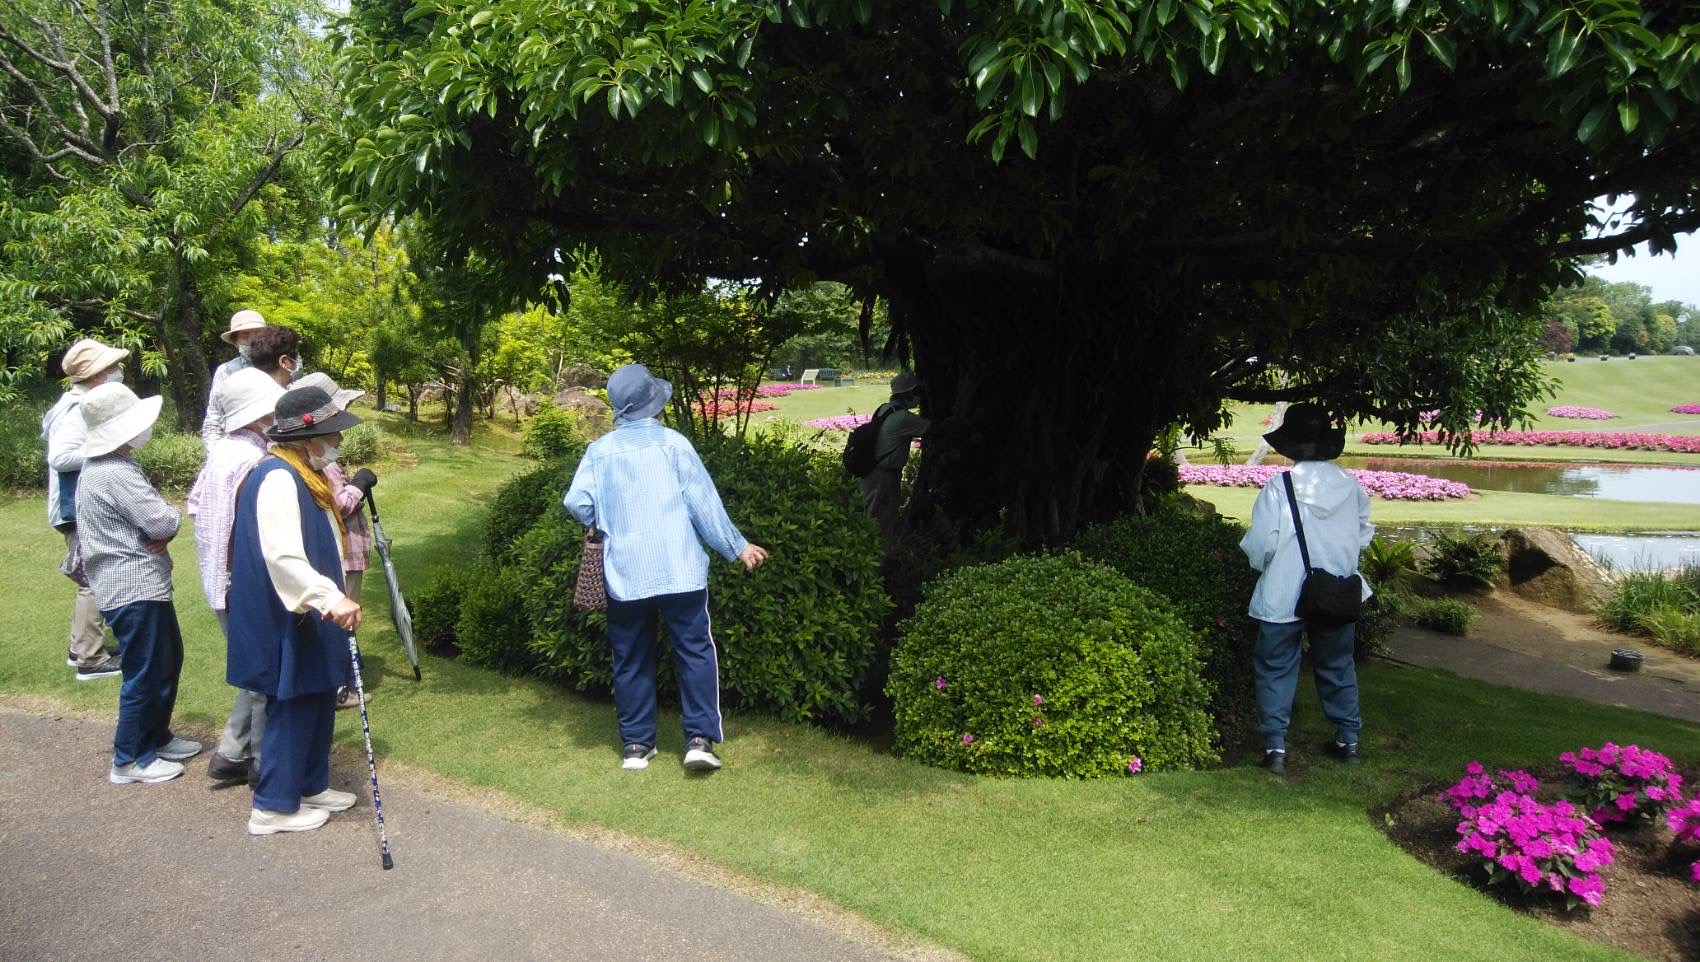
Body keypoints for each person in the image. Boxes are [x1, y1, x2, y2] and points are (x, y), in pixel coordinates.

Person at [563, 363, 768, 772]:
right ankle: (698, 741)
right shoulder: (674, 444)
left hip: (626, 570)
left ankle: (637, 747)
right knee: (694, 650)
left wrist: (605, 519)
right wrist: (738, 547)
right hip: (680, 569)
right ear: (655, 405)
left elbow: (576, 502)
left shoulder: (599, 451)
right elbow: (703, 504)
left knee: (631, 657)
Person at [227, 386, 366, 835]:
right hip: (292, 610)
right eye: (331, 435)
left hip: (311, 609)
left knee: (320, 692)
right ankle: (272, 806)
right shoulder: (278, 477)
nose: (338, 442)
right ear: (308, 440)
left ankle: (309, 784)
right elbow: (282, 555)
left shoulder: (303, 473)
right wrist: (330, 598)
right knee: (293, 700)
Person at [75, 383, 202, 783]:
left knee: (165, 660)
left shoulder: (107, 468)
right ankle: (130, 758)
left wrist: (160, 522)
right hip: (132, 585)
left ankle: (156, 737)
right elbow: (162, 521)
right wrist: (168, 519)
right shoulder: (114, 472)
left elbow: (155, 521)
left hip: (134, 582)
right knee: (146, 670)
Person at [1238, 403, 1374, 776]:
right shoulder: (1351, 487)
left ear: (1291, 446)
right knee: (1337, 663)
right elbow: (1363, 534)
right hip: (1337, 590)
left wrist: (1269, 567)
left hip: (1284, 592)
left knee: (1276, 666)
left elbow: (1263, 542)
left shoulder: (1279, 488)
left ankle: (1275, 748)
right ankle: (1348, 740)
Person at [186, 368, 285, 783]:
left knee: (253, 673)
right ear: (256, 415)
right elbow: (253, 529)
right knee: (266, 677)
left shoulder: (222, 453)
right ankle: (266, 768)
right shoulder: (252, 461)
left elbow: (193, 506)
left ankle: (230, 753)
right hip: (242, 584)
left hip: (220, 581)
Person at [41, 338, 128, 681]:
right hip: (75, 507)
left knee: (89, 574)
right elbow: (60, 457)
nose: (116, 373)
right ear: (97, 375)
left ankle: (80, 646)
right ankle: (90, 659)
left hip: (76, 505)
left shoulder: (75, 403)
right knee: (93, 577)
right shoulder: (77, 409)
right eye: (110, 368)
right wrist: (103, 448)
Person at [294, 372, 374, 710]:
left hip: (344, 549)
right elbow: (338, 504)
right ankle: (340, 685)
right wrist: (359, 485)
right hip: (341, 551)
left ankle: (341, 673)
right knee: (341, 615)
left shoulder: (314, 454)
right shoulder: (312, 458)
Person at [860, 372, 931, 544]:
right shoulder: (903, 418)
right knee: (882, 521)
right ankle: (880, 560)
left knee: (871, 516)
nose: (919, 397)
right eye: (917, 392)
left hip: (871, 473)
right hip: (884, 476)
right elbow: (934, 429)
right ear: (908, 393)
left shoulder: (884, 409)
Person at [200, 310, 269, 451]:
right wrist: (215, 455)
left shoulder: (281, 366)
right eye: (245, 335)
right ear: (235, 342)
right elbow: (214, 418)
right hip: (240, 449)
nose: (252, 340)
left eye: (257, 333)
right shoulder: (226, 371)